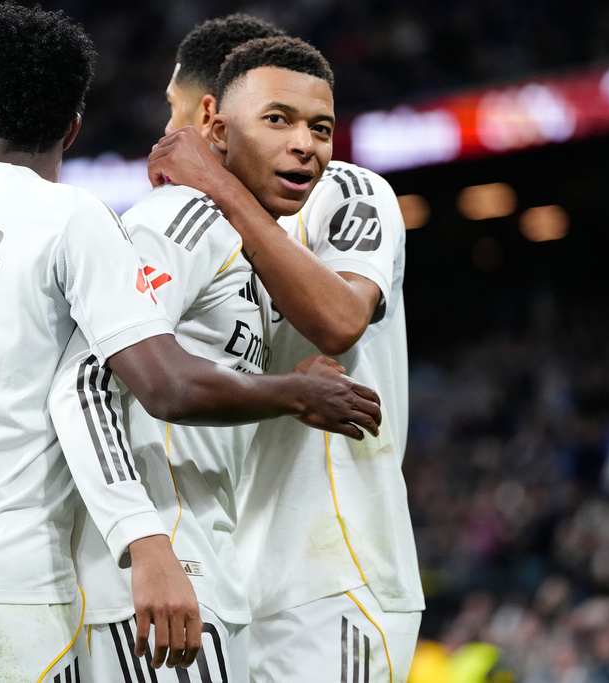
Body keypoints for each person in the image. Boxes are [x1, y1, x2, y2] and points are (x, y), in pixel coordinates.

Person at [0, 5, 381, 682]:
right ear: (72, 128)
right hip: (8, 586)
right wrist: (293, 394)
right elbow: (144, 381)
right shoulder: (75, 218)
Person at [149, 14, 425, 682]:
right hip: (235, 579)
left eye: (176, 111)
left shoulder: (348, 192)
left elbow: (339, 320)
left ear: (212, 115)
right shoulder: (207, 232)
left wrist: (220, 187)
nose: (170, 136)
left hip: (338, 575)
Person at [70, 35, 338, 683]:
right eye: (278, 120)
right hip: (159, 585)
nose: (304, 144)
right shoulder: (182, 216)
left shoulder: (247, 243)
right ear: (217, 125)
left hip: (199, 575)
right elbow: (85, 377)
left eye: (321, 128)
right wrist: (146, 545)